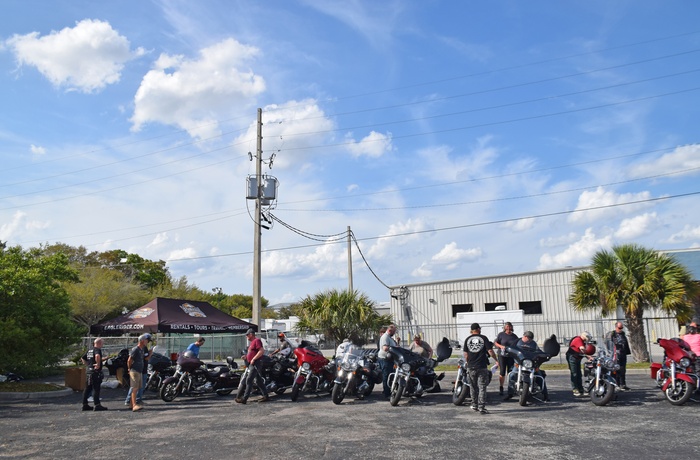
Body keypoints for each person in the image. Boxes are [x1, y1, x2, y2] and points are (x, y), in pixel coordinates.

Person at [503, 331, 549, 402]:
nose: (529, 339)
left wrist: (544, 355)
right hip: (519, 363)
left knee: (540, 376)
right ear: (524, 336)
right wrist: (507, 351)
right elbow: (511, 348)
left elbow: (538, 351)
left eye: (531, 338)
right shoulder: (517, 342)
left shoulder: (533, 344)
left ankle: (545, 395)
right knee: (512, 375)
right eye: (528, 338)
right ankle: (510, 393)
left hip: (531, 364)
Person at [463, 323, 498, 414]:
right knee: (482, 387)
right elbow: (490, 351)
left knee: (473, 387)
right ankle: (481, 407)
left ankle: (474, 405)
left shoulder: (467, 339)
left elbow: (465, 354)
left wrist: (468, 362)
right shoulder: (484, 338)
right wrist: (496, 360)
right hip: (482, 366)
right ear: (478, 329)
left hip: (471, 366)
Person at [235, 328, 270, 404]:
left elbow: (261, 351)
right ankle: (265, 396)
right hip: (252, 363)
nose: (246, 336)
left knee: (249, 380)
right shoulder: (252, 343)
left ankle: (244, 398)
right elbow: (252, 353)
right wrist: (246, 357)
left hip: (255, 363)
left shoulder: (257, 341)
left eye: (247, 335)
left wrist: (253, 359)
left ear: (251, 334)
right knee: (258, 381)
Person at [493, 322, 519, 396]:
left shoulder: (514, 336)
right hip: (502, 355)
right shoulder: (501, 335)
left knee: (510, 372)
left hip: (510, 356)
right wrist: (501, 346)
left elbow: (517, 345)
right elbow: (495, 342)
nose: (508, 328)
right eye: (507, 326)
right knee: (502, 371)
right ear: (505, 327)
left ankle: (510, 388)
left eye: (509, 326)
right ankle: (501, 387)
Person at [81, 338, 107, 411]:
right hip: (95, 373)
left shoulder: (90, 350)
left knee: (87, 388)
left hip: (89, 372)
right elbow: (97, 356)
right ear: (99, 343)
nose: (103, 345)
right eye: (102, 343)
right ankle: (97, 405)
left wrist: (88, 364)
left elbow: (83, 358)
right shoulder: (97, 349)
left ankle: (84, 404)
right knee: (96, 388)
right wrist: (98, 364)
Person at [127, 333, 151, 412]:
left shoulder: (142, 349)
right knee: (135, 388)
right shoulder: (136, 349)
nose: (147, 342)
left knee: (138, 388)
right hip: (135, 371)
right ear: (142, 341)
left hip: (140, 371)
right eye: (146, 340)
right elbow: (129, 360)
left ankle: (131, 404)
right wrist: (129, 368)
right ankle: (134, 405)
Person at [566, 331, 592, 397]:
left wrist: (587, 356)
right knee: (574, 373)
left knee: (579, 374)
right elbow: (582, 349)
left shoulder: (582, 341)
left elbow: (582, 351)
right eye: (587, 337)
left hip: (577, 358)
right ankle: (575, 389)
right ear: (584, 336)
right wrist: (588, 355)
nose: (587, 339)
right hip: (572, 357)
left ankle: (580, 389)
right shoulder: (578, 340)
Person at [606, 322, 631, 390]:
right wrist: (611, 353)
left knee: (623, 370)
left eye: (622, 328)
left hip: (622, 354)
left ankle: (623, 384)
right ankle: (616, 384)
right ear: (616, 327)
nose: (621, 329)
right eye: (620, 328)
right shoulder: (612, 335)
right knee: (616, 369)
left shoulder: (623, 334)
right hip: (616, 354)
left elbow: (625, 343)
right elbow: (609, 344)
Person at [378, 324, 399, 399]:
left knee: (390, 376)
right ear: (390, 330)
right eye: (394, 331)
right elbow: (385, 348)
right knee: (386, 376)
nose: (394, 333)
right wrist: (393, 348)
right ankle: (387, 394)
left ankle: (390, 390)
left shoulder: (390, 338)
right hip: (385, 359)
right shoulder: (385, 337)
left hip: (390, 359)